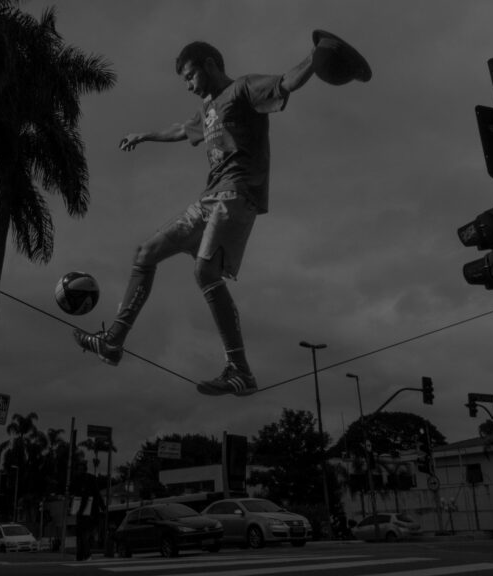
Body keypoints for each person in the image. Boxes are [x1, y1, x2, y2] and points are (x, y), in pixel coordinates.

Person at [74, 40, 316, 396]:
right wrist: (143, 136)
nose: (189, 85)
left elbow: (286, 83)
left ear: (208, 64)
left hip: (237, 196)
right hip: (208, 200)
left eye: (190, 77)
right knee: (145, 254)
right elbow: (180, 130)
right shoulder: (208, 109)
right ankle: (113, 342)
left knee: (205, 272)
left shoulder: (243, 88)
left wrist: (317, 57)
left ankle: (240, 371)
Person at [72, 461, 103, 561]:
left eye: (80, 469)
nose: (78, 471)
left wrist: (79, 510)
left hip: (86, 511)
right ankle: (82, 555)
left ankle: (85, 554)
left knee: (83, 534)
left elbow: (85, 497)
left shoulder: (82, 480)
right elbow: (97, 494)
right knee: (83, 534)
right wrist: (103, 507)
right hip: (91, 511)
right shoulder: (89, 478)